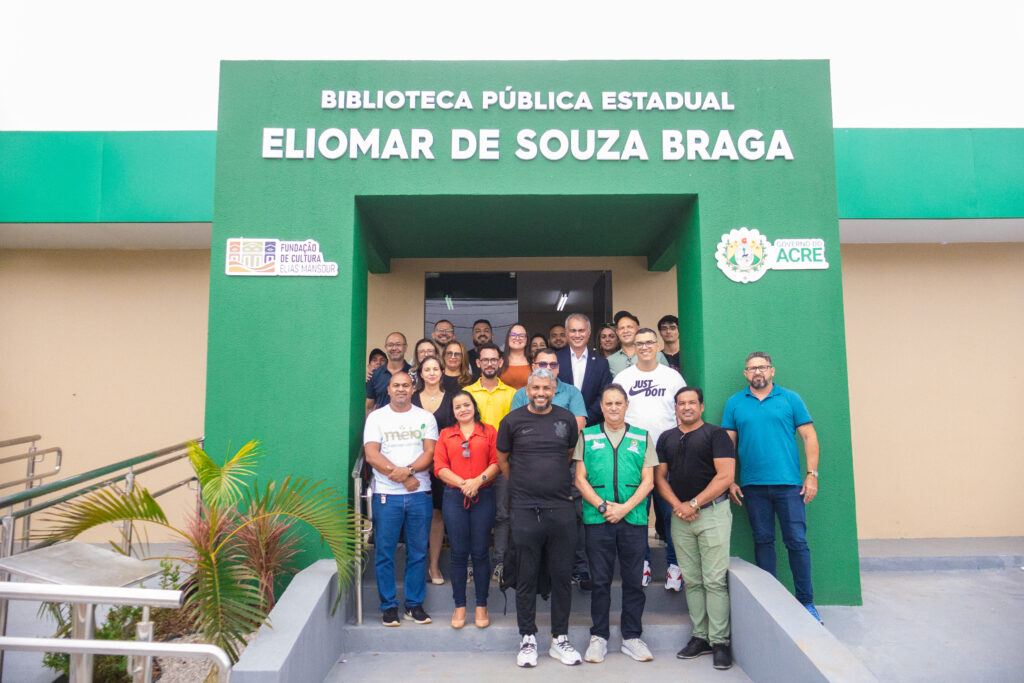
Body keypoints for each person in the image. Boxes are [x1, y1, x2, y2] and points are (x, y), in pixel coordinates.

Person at [723, 352, 823, 623]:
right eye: (752, 368)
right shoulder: (735, 403)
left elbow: (809, 436)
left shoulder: (790, 399)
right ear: (745, 374)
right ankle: (772, 604)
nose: (758, 372)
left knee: (797, 542)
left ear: (772, 371)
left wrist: (812, 475)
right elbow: (728, 445)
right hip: (753, 487)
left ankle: (806, 602)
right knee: (763, 542)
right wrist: (729, 480)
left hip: (789, 486)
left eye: (763, 367)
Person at [497, 369, 582, 668]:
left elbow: (569, 454)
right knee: (526, 575)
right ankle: (528, 638)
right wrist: (524, 486)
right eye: (536, 388)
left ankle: (560, 639)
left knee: (561, 575)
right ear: (528, 389)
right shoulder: (512, 421)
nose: (541, 393)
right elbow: (502, 460)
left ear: (554, 389)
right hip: (524, 509)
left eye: (546, 388)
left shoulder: (566, 419)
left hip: (560, 508)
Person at [574, 384, 657, 663]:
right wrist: (602, 506)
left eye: (618, 403)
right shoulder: (587, 435)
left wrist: (624, 508)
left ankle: (631, 637)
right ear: (601, 406)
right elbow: (580, 479)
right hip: (598, 519)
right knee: (600, 581)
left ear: (626, 405)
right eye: (608, 403)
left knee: (634, 581)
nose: (613, 408)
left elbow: (649, 481)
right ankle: (599, 636)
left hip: (633, 519)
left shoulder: (642, 437)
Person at [655, 387, 736, 670]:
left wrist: (693, 504)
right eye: (681, 403)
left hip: (712, 514)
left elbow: (725, 476)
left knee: (714, 580)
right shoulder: (666, 438)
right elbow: (660, 477)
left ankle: (720, 642)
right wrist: (678, 505)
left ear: (701, 407)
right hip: (681, 517)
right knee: (692, 579)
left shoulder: (717, 435)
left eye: (692, 403)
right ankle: (700, 637)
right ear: (675, 408)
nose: (686, 407)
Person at [509, 347, 589, 588]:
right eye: (542, 364)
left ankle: (578, 569)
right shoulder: (522, 393)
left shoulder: (571, 392)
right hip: (529, 470)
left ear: (559, 368)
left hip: (566, 467)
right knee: (532, 522)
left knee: (573, 517)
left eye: (553, 365)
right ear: (534, 366)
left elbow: (577, 428)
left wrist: (558, 460)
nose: (548, 368)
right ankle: (538, 573)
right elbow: (516, 428)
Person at [612, 327, 686, 589]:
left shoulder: (672, 377)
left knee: (670, 513)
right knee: (637, 515)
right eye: (639, 343)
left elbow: (681, 412)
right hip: (634, 454)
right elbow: (615, 412)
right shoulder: (623, 377)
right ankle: (641, 564)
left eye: (648, 342)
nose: (644, 347)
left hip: (667, 454)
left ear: (656, 346)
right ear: (634, 347)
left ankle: (674, 566)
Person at [363, 372, 438, 626]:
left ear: (413, 388)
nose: (401, 389)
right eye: (396, 385)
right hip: (387, 495)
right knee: (385, 553)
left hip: (419, 494)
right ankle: (388, 607)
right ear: (389, 389)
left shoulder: (425, 417)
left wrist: (409, 471)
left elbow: (430, 452)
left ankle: (414, 605)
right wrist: (404, 477)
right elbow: (372, 455)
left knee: (418, 552)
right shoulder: (376, 417)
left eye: (406, 385)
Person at [434, 390, 500, 629]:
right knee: (458, 553)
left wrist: (477, 481)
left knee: (481, 551)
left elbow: (497, 463)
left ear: (474, 406)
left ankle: (481, 605)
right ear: (453, 412)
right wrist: (463, 483)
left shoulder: (489, 431)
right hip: (455, 497)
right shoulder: (446, 434)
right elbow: (439, 467)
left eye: (466, 405)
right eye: (458, 407)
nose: (463, 409)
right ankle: (459, 605)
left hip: (484, 495)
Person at [462, 342, 517, 578]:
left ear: (501, 362)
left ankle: (499, 563)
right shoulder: (467, 393)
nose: (490, 363)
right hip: (474, 465)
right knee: (475, 516)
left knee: (502, 514)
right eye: (485, 360)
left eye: (494, 359)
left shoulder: (512, 394)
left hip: (503, 464)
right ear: (478, 363)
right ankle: (473, 563)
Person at [411, 356, 456, 586]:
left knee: (438, 514)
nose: (431, 373)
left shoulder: (451, 399)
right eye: (427, 369)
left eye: (435, 369)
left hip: (443, 465)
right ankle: (416, 566)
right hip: (413, 465)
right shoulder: (411, 398)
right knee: (416, 515)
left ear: (441, 372)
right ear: (420, 374)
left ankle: (434, 565)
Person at [555, 313, 613, 427]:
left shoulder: (601, 363)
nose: (577, 335)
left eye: (581, 330)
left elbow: (604, 395)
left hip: (591, 425)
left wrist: (585, 419)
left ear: (589, 333)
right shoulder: (555, 359)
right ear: (566, 333)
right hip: (559, 424)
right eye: (573, 331)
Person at [607, 311, 669, 376]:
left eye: (630, 327)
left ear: (638, 329)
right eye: (621, 328)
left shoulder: (657, 355)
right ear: (617, 332)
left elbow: (668, 377)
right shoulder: (610, 361)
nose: (625, 331)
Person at [365, 332, 410, 414]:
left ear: (405, 347)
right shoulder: (374, 375)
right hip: (382, 421)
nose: (394, 348)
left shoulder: (413, 373)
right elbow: (369, 407)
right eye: (390, 345)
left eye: (398, 344)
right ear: (385, 347)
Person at [500, 323, 531, 389]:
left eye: (521, 335)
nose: (517, 338)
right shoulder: (500, 361)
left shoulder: (533, 361)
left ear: (527, 340)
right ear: (508, 338)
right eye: (513, 335)